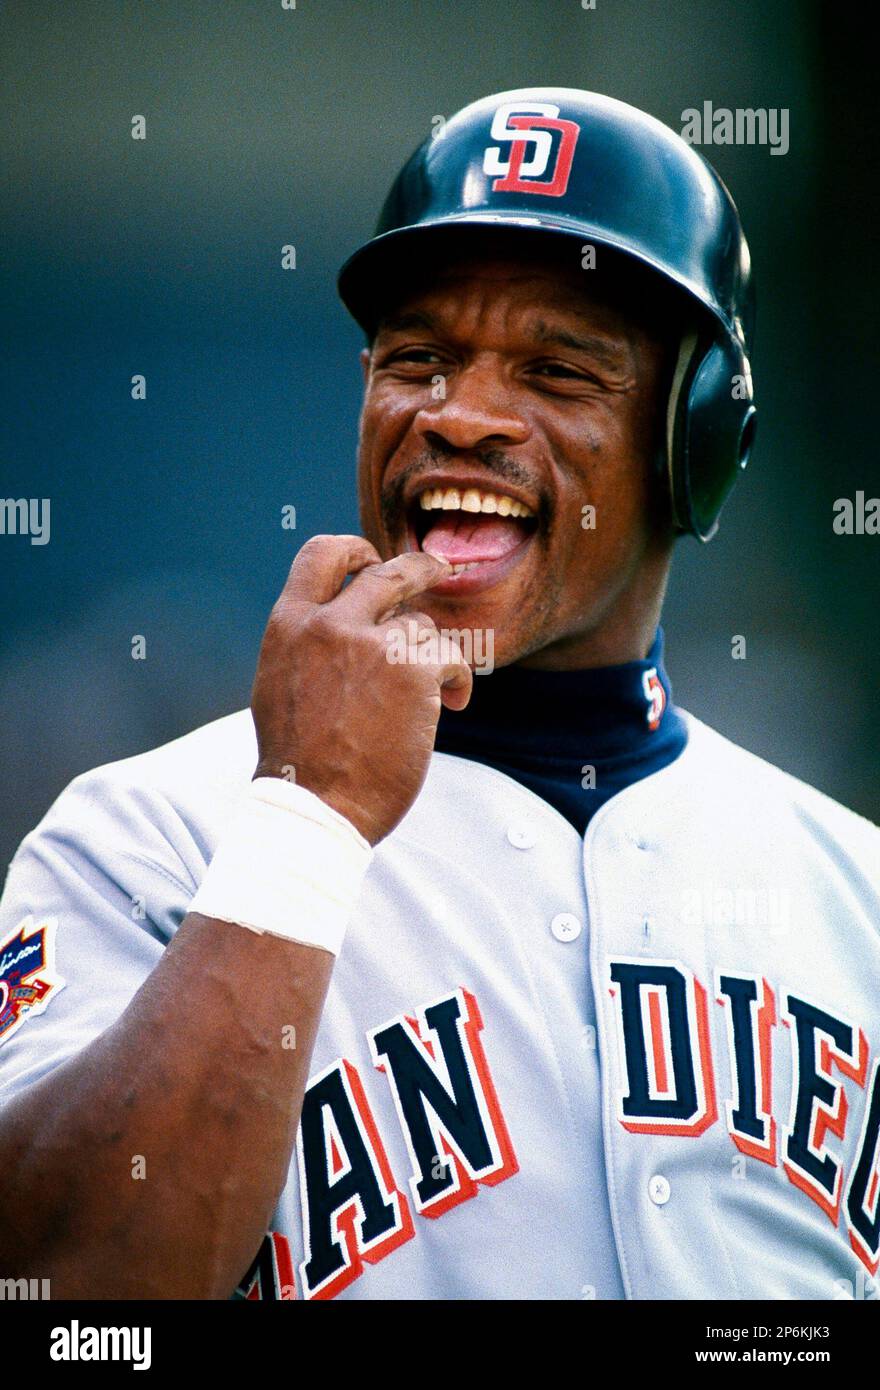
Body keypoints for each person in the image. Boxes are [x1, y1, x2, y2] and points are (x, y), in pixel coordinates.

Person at [1, 88, 877, 1302]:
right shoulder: (145, 839)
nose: (458, 414)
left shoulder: (855, 896)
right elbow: (68, 1297)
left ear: (696, 438)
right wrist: (305, 822)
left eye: (558, 370)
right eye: (417, 359)